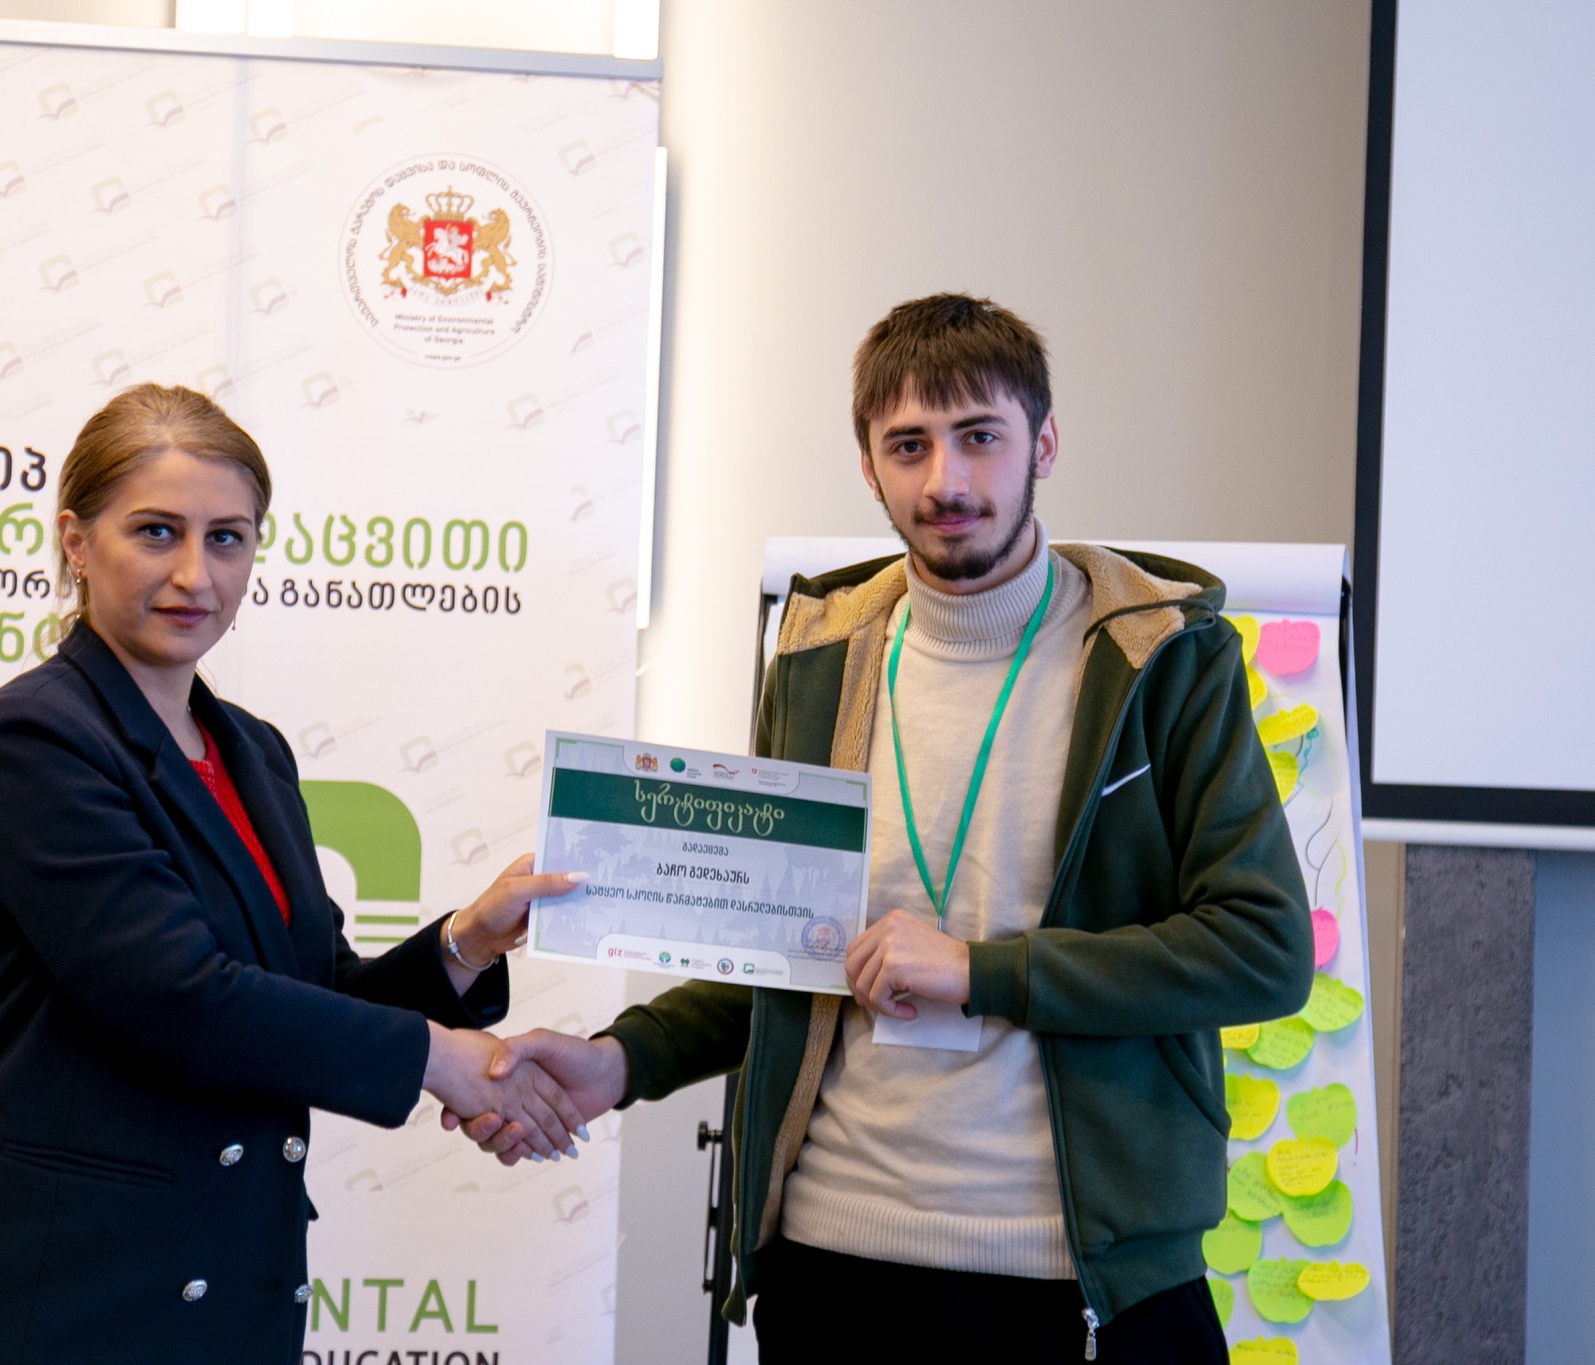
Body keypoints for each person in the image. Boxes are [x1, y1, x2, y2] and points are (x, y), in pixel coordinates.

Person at [453, 296, 1314, 1362]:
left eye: (980, 437)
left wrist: (980, 971)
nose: (945, 481)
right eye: (908, 446)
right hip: (835, 1264)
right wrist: (620, 1060)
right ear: (867, 465)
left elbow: (1262, 950)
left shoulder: (1159, 656)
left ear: (1043, 443)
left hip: (1084, 1278)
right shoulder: (821, 654)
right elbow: (782, 948)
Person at [0, 384, 585, 1365]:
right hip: (48, 1296)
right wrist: (442, 1058)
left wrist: (466, 941)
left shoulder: (251, 750)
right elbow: (179, 1000)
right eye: (156, 531)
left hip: (220, 1292)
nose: (195, 574)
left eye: (227, 538)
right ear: (76, 541)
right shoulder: (31, 737)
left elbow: (310, 994)